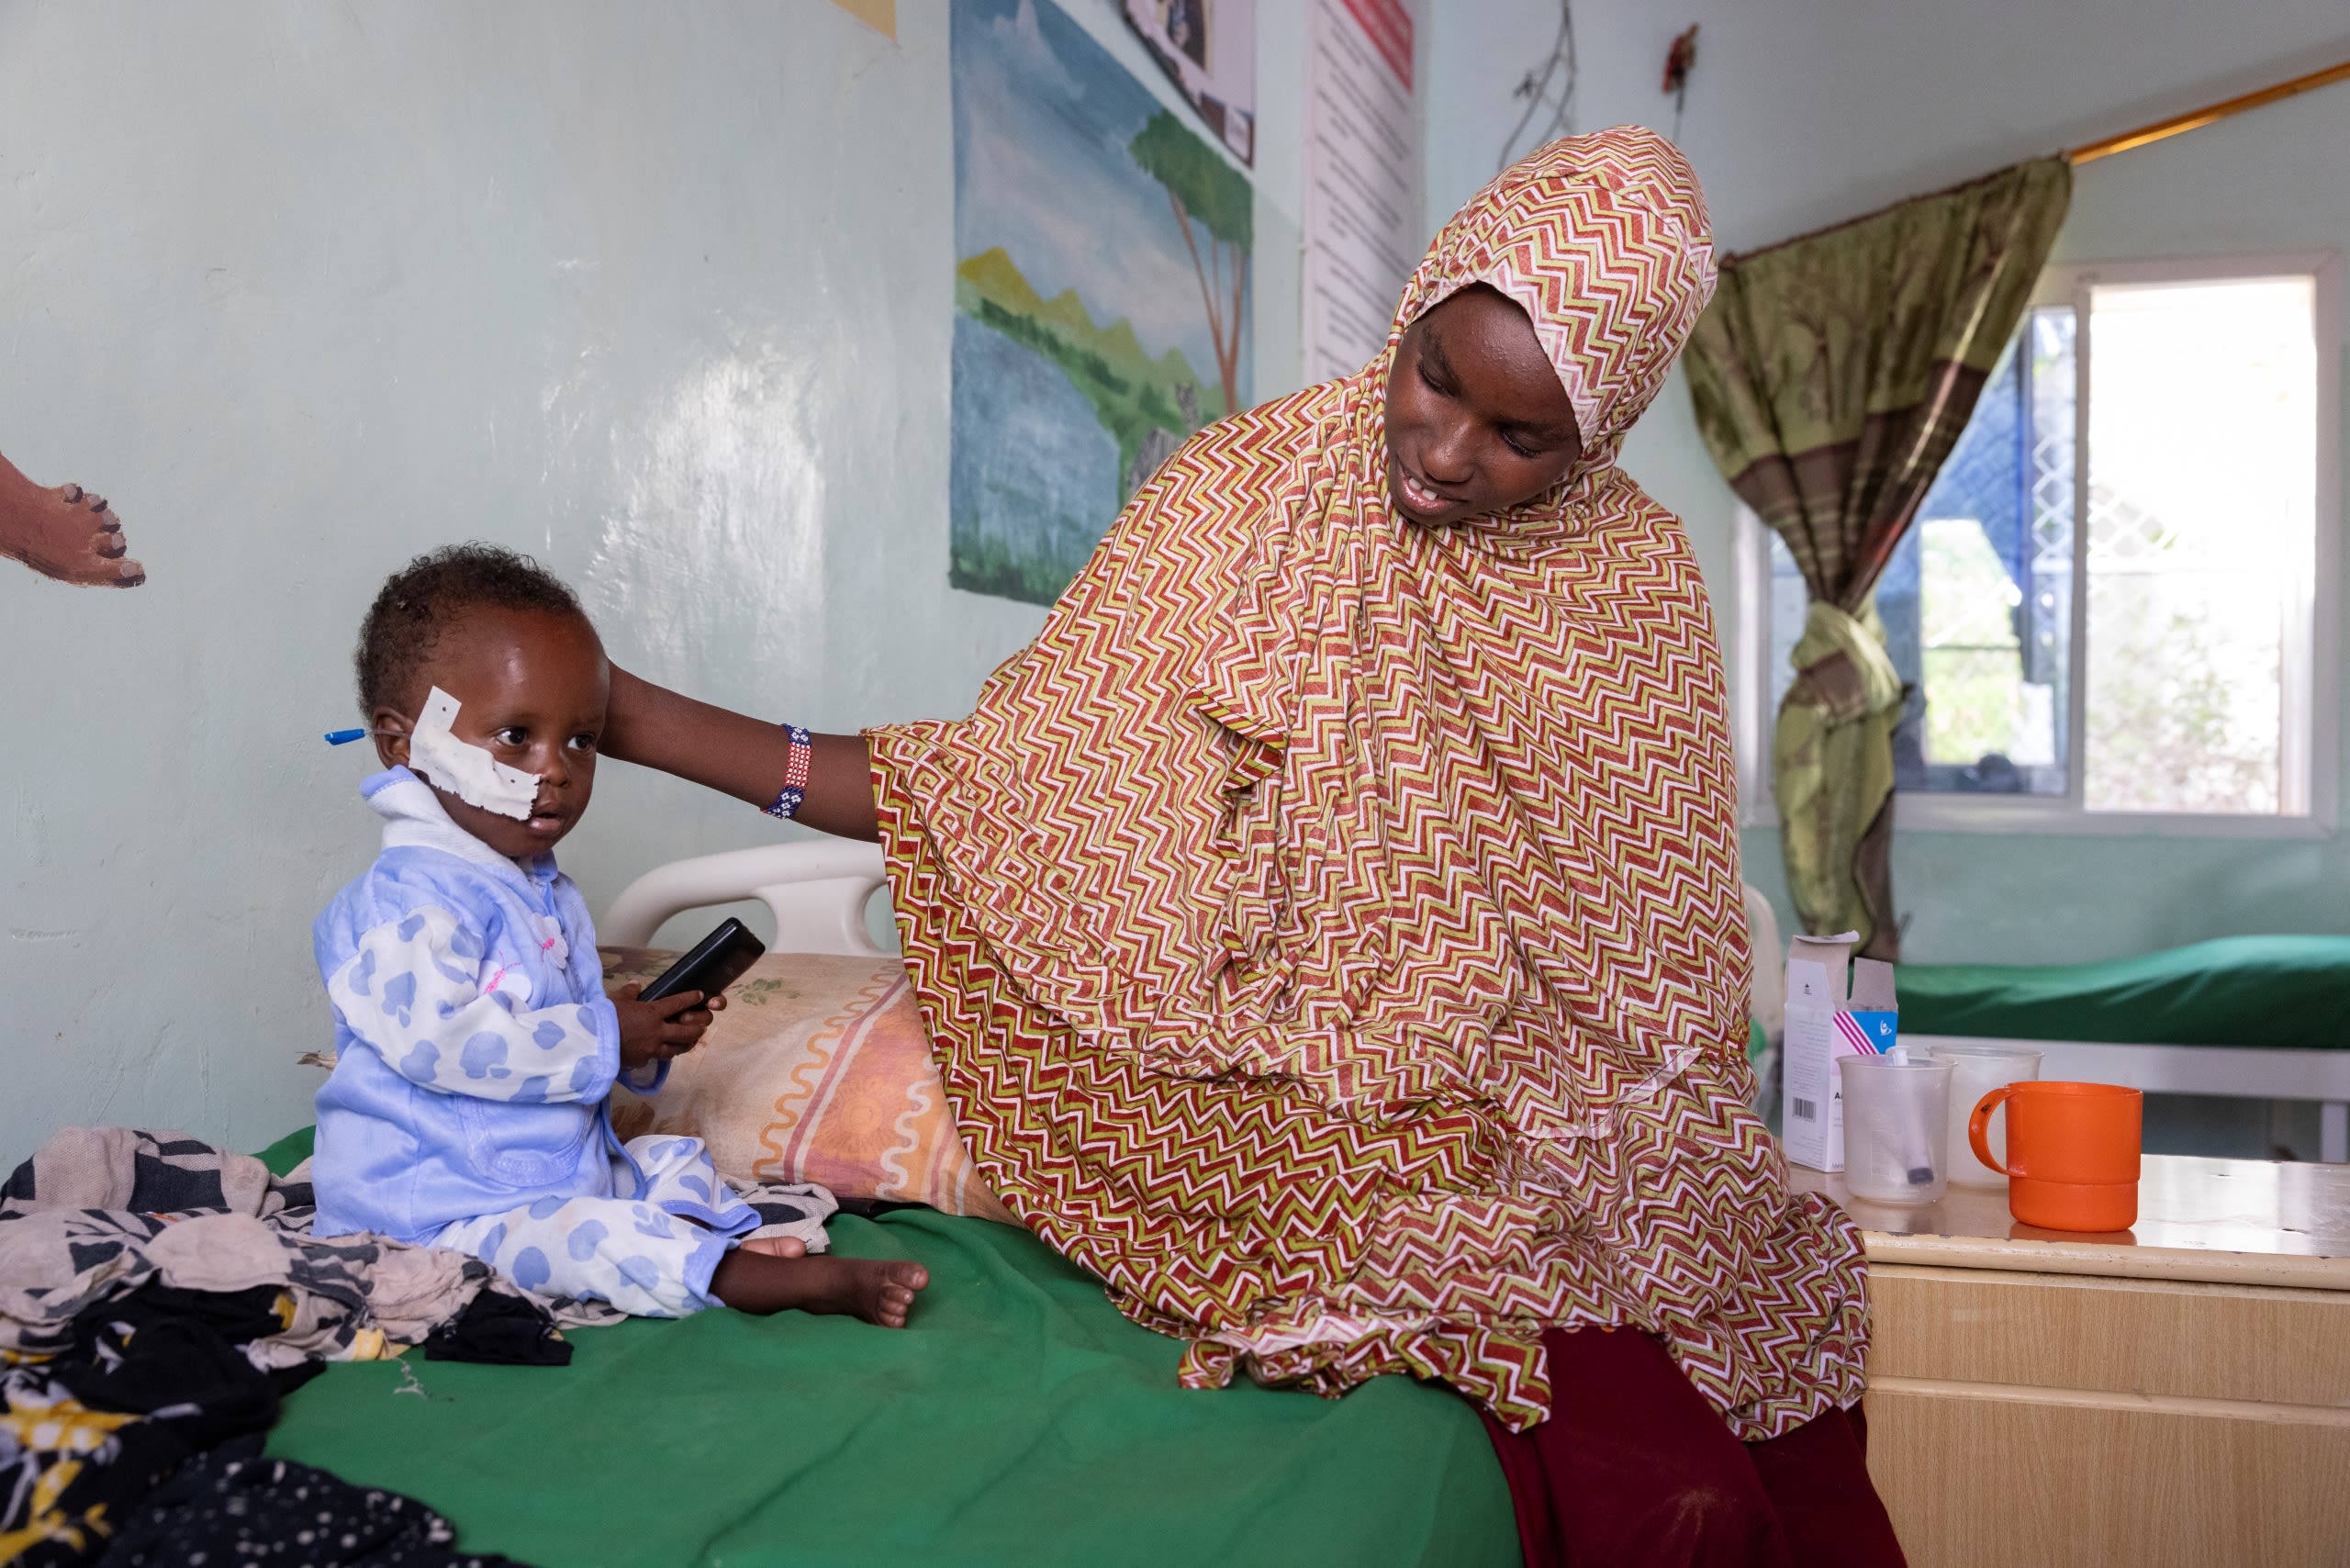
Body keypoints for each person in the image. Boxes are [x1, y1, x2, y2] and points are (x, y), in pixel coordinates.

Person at [599, 130, 1902, 1564]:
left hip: (1576, 1097)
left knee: (1704, 1419)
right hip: (1300, 1069)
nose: (1444, 452)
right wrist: (634, 717)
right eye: (1434, 377)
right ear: (1410, 311)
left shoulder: (1634, 581)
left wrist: (1554, 1090)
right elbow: (1008, 790)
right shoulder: (1243, 495)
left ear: (1602, 436)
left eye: (1523, 437)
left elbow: (1653, 947)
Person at [310, 543, 928, 1326]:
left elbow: (555, 1041)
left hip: (542, 1178)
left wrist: (638, 1038)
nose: (557, 770)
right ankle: (766, 1284)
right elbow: (446, 1046)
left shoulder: (539, 889)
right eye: (515, 737)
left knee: (669, 1159)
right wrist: (607, 1032)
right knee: (589, 1235)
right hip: (431, 1217)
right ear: (405, 745)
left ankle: (709, 1241)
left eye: (581, 740)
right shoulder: (404, 906)